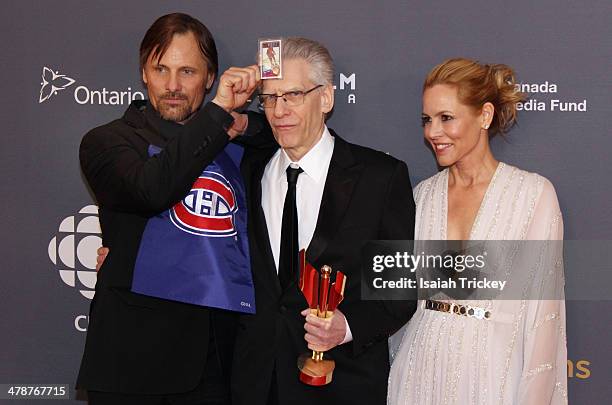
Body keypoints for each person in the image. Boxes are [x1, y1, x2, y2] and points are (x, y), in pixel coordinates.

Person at [77, 13, 262, 405]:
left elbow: (289, 146)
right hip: (130, 367)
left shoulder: (228, 141)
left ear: (210, 77)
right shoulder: (107, 142)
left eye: (188, 71)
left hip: (214, 366)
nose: (173, 86)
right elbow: (152, 188)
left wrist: (240, 123)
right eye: (161, 69)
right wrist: (217, 115)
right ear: (144, 72)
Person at [231, 37, 417, 405]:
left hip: (341, 384)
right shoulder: (245, 170)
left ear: (327, 99)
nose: (278, 111)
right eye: (269, 98)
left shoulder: (379, 177)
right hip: (253, 384)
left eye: (293, 95)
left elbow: (398, 291)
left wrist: (347, 327)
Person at [387, 58, 568, 404]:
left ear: (484, 116)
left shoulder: (532, 195)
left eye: (446, 118)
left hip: (492, 374)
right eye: (427, 120)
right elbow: (397, 302)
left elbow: (543, 317)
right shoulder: (420, 196)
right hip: (419, 369)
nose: (432, 132)